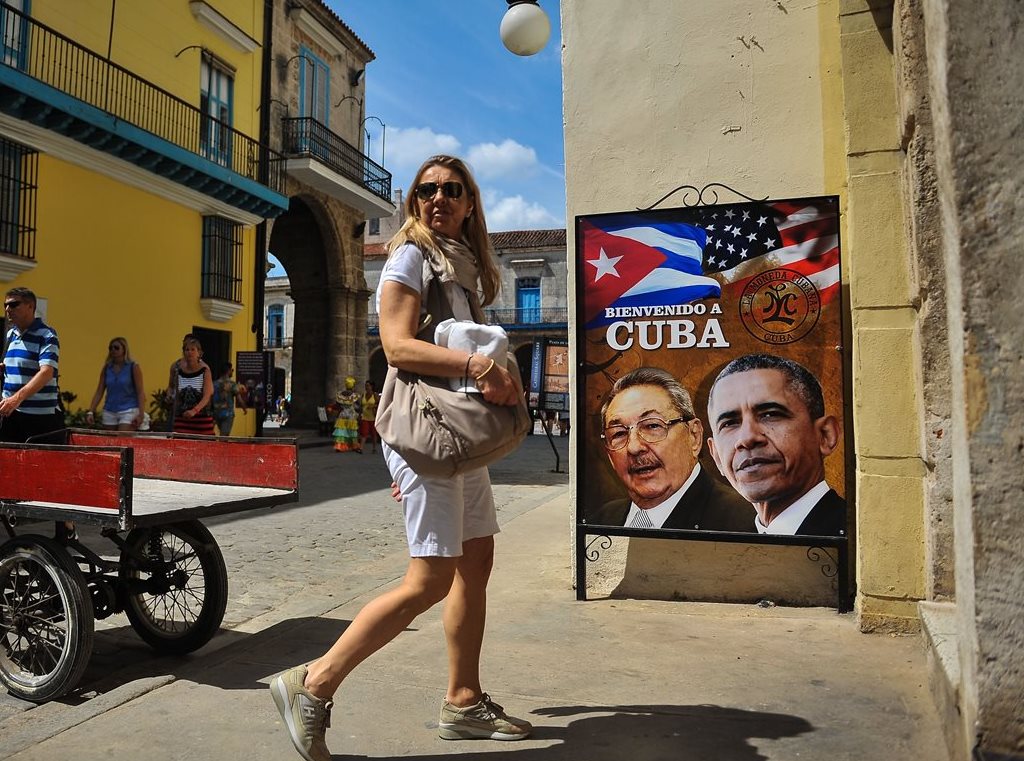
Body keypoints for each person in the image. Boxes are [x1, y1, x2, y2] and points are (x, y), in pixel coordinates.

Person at [270, 155, 530, 761]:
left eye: (451, 190)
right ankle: (311, 685)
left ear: (470, 204)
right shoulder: (410, 255)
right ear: (415, 201)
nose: (438, 197)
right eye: (426, 189)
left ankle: (463, 702)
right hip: (427, 437)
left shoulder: (461, 267)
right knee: (430, 578)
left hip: (452, 435)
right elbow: (395, 345)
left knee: (476, 562)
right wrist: (479, 366)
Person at [589, 366, 753, 531]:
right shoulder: (603, 519)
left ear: (694, 436)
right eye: (618, 434)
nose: (634, 447)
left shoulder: (747, 522)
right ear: (609, 454)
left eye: (652, 426)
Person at [706, 353, 847, 536]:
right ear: (716, 456)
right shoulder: (725, 548)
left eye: (770, 414)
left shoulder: (861, 540)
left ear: (825, 435)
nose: (747, 438)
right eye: (729, 423)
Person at [1, 287, 63, 444]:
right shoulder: (11, 335)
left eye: (14, 304)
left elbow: (47, 372)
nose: (8, 309)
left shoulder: (47, 335)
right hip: (11, 415)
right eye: (5, 305)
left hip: (39, 418)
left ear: (30, 306)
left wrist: (16, 399)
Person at [86, 337, 145, 431]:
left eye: (116, 347)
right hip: (110, 409)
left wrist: (141, 414)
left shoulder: (133, 367)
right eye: (110, 348)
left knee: (122, 438)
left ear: (124, 349)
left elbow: (140, 392)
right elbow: (99, 391)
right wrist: (91, 411)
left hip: (128, 409)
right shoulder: (107, 368)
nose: (113, 350)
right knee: (110, 441)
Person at [169, 336, 214, 435]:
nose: (190, 352)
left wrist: (194, 410)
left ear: (199, 353)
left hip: (201, 419)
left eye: (193, 350)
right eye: (187, 350)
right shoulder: (178, 371)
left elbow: (207, 395)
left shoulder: (205, 370)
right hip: (182, 419)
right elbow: (175, 391)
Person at [211, 363, 247, 436]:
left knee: (221, 433)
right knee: (224, 436)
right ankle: (222, 447)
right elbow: (239, 399)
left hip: (216, 413)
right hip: (228, 413)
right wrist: (244, 408)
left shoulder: (214, 384)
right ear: (228, 371)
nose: (232, 372)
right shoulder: (232, 384)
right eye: (232, 370)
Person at [332, 378, 361, 452]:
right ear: (353, 386)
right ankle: (353, 445)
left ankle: (340, 446)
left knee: (341, 431)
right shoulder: (355, 396)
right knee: (352, 431)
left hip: (342, 414)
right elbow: (358, 406)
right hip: (351, 415)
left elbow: (337, 405)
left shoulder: (340, 395)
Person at [358, 380, 379, 454]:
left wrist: (373, 406)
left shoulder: (375, 395)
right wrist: (359, 414)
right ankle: (361, 448)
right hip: (365, 416)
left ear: (371, 386)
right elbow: (361, 405)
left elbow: (379, 404)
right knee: (364, 432)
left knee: (373, 434)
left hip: (373, 416)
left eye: (368, 385)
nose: (366, 387)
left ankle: (374, 448)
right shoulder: (363, 395)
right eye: (366, 385)